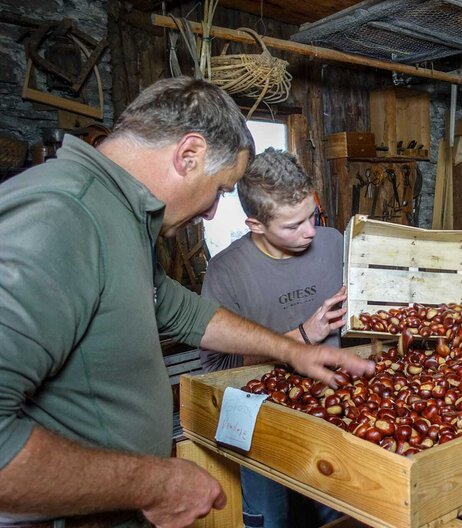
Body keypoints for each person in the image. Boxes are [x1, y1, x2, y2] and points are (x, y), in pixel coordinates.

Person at [0, 77, 373, 528]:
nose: (215, 211)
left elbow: (184, 312)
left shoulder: (116, 215)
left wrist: (294, 349)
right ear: (188, 155)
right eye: (220, 188)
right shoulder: (62, 217)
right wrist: (156, 484)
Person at [199, 148, 345, 528]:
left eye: (312, 215)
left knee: (340, 517)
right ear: (256, 225)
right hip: (257, 423)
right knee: (270, 521)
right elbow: (217, 372)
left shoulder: (334, 243)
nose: (310, 231)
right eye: (294, 225)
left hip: (332, 416)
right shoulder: (225, 271)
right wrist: (302, 336)